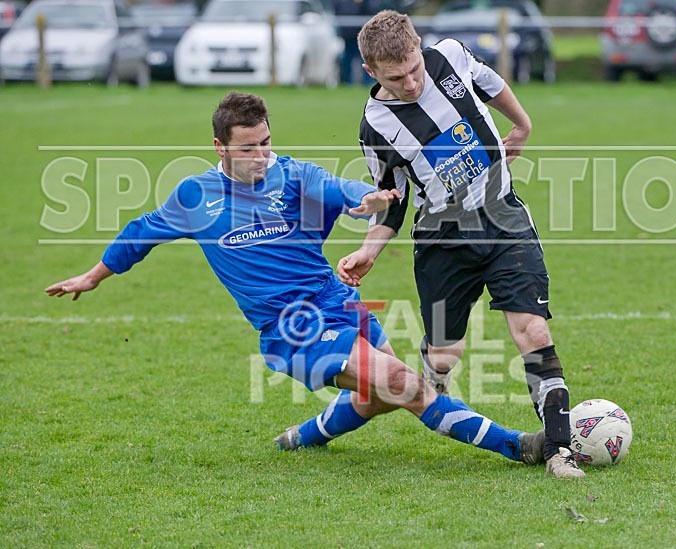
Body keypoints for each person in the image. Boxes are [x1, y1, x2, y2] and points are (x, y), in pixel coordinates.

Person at [45, 91, 548, 468]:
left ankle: (302, 438)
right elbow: (140, 233)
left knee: (380, 396)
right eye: (247, 149)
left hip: (340, 304)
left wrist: (369, 199)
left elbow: (341, 189)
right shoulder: (194, 197)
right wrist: (93, 276)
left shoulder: (293, 176)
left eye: (266, 142)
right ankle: (521, 446)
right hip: (292, 329)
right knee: (405, 384)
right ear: (218, 147)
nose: (261, 155)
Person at [335, 10, 585, 478]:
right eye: (396, 77)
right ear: (371, 72)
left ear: (420, 47)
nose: (411, 82)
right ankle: (434, 376)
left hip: (504, 222)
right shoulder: (376, 126)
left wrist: (523, 124)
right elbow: (393, 199)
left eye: (414, 68)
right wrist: (369, 250)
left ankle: (558, 451)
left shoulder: (449, 56)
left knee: (533, 333)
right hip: (441, 242)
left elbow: (490, 83)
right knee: (447, 352)